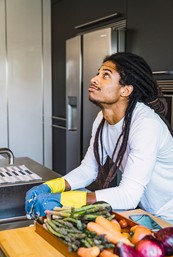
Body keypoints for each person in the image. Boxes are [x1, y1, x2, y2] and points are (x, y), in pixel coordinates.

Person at [25, 52, 173, 224]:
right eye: (98, 73)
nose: (94, 79)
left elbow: (128, 195)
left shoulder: (145, 124)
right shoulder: (102, 119)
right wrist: (49, 187)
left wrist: (64, 200)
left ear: (126, 90)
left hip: (169, 214)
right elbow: (88, 170)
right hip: (149, 212)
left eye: (106, 75)